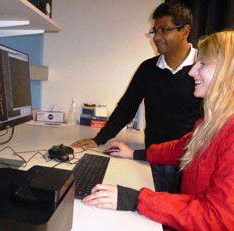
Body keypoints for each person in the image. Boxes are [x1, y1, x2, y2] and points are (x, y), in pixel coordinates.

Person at [83, 30, 234, 231]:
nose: (191, 72)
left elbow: (219, 218)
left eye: (203, 64)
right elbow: (181, 148)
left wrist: (136, 199)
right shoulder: (213, 124)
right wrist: (135, 153)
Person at [72, 2, 202, 193]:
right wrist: (100, 139)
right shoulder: (148, 69)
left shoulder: (204, 68)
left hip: (191, 160)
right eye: (155, 31)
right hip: (153, 157)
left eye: (165, 30)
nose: (157, 37)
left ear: (185, 30)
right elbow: (127, 107)